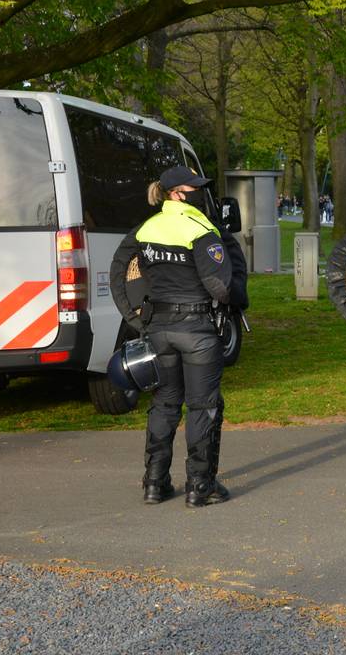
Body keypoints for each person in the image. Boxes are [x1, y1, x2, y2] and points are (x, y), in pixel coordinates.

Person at [109, 165, 235, 508]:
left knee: (165, 403)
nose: (199, 193)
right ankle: (200, 486)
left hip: (159, 330)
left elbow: (122, 274)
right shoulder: (200, 228)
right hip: (196, 330)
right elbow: (220, 287)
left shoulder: (145, 229)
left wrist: (136, 319)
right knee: (203, 406)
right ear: (176, 193)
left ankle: (155, 483)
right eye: (193, 188)